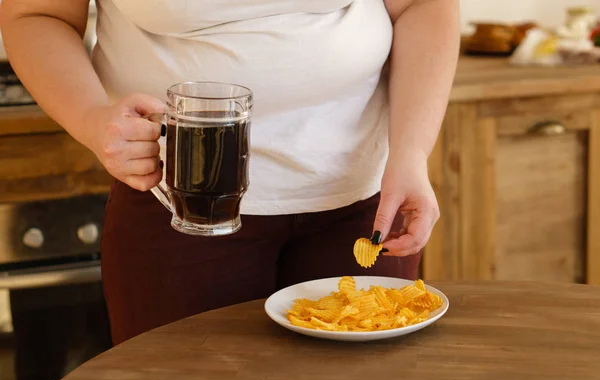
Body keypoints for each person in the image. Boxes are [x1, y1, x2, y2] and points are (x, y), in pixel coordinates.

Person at [1, 0, 460, 345]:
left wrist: (412, 151)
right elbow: (37, 14)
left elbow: (422, 4)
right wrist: (89, 116)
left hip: (368, 200)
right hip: (174, 203)